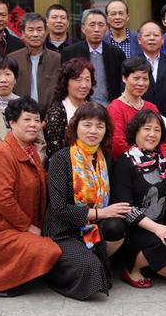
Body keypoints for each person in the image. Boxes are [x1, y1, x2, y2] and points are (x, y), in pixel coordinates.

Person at [44, 102, 131, 300]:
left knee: (116, 229)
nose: (93, 131)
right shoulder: (60, 159)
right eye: (87, 124)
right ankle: (50, 272)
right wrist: (101, 213)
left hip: (92, 227)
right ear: (75, 127)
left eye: (100, 126)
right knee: (90, 268)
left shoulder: (105, 158)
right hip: (63, 230)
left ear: (106, 131)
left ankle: (91, 258)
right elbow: (59, 208)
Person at [0, 97, 61, 297]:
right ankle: (2, 282)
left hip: (24, 226)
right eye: (27, 119)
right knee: (50, 250)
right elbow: (3, 198)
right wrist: (27, 226)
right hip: (3, 230)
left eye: (37, 120)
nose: (33, 125)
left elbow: (43, 179)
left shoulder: (30, 150)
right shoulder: (2, 153)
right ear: (12, 123)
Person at [111, 110, 166, 288]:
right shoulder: (125, 163)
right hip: (134, 229)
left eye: (157, 130)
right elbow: (126, 209)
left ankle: (151, 259)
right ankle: (132, 268)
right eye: (147, 129)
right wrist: (158, 228)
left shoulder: (161, 161)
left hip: (159, 227)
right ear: (136, 132)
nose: (152, 134)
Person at [107, 56, 166, 161]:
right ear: (124, 78)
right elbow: (118, 145)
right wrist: (143, 161)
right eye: (136, 78)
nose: (141, 83)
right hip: (129, 165)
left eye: (145, 79)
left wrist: (165, 159)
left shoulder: (151, 107)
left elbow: (164, 139)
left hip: (157, 164)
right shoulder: (115, 108)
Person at [62, 9, 126, 107]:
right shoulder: (70, 52)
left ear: (107, 29)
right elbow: (63, 83)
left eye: (101, 25)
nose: (96, 29)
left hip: (110, 108)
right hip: (79, 107)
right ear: (83, 28)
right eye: (92, 25)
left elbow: (122, 85)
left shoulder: (117, 54)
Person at [9, 12, 60, 113]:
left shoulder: (57, 59)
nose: (35, 34)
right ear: (23, 33)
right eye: (30, 30)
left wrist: (50, 117)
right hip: (20, 115)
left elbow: (62, 91)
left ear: (46, 32)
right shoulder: (12, 59)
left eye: (39, 30)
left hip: (51, 116)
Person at [45, 58, 95, 157]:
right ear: (66, 82)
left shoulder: (94, 108)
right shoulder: (57, 112)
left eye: (87, 80)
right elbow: (56, 153)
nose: (84, 85)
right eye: (78, 80)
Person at [137, 20, 166, 117]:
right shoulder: (132, 63)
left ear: (162, 40)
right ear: (139, 40)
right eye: (147, 35)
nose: (152, 38)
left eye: (156, 35)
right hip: (140, 117)